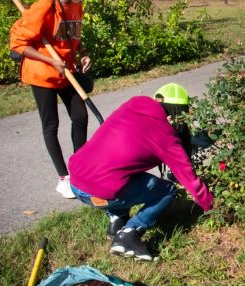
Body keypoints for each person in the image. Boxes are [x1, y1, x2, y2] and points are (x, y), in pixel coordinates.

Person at [68, 83, 214, 261]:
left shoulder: (131, 106)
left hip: (76, 184)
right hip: (103, 192)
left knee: (124, 171)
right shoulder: (165, 136)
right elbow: (188, 179)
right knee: (167, 191)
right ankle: (129, 234)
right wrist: (211, 207)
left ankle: (116, 221)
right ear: (179, 112)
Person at [9, 0, 92, 199]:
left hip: (67, 71)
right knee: (51, 124)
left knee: (80, 116)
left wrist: (84, 53)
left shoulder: (76, 5)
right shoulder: (45, 6)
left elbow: (73, 37)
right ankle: (64, 178)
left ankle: (81, 169)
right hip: (42, 73)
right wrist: (49, 60)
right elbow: (18, 44)